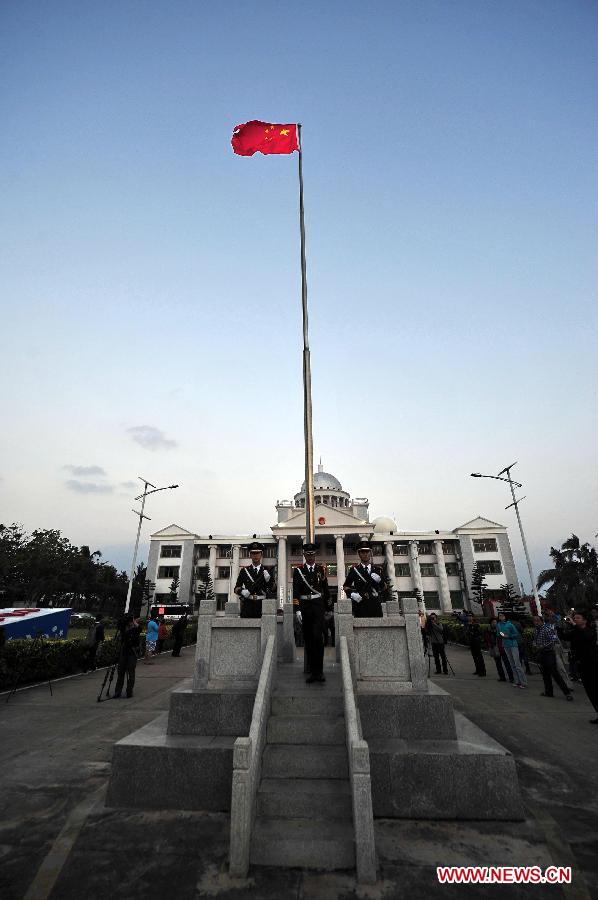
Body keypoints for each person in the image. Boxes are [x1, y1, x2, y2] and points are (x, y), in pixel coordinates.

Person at [293, 542, 330, 684]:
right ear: (304, 555)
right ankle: (312, 672)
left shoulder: (321, 569)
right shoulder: (298, 571)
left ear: (315, 555)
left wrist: (329, 608)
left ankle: (319, 672)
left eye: (312, 555)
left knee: (317, 637)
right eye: (308, 555)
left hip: (318, 606)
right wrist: (297, 610)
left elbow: (325, 590)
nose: (310, 557)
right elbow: (296, 590)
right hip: (305, 607)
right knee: (308, 640)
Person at [559, 611, 598, 723]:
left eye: (578, 618)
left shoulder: (590, 631)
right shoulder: (576, 631)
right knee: (590, 691)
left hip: (592, 663)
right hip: (581, 664)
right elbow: (565, 637)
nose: (575, 619)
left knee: (595, 688)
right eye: (574, 618)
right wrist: (559, 626)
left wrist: (574, 625)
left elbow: (586, 636)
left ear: (585, 620)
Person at [531, 615, 573, 701]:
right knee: (545, 675)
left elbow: (553, 640)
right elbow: (535, 639)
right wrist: (535, 644)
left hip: (549, 653)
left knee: (555, 674)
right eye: (534, 621)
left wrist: (543, 646)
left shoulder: (547, 629)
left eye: (538, 621)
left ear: (542, 621)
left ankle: (567, 693)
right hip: (541, 654)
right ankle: (549, 692)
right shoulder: (536, 630)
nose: (536, 622)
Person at [343, 540, 387, 617]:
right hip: (361, 605)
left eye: (367, 552)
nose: (365, 554)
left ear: (370, 553)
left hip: (375, 605)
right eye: (362, 552)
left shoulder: (378, 570)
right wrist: (352, 594)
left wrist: (380, 581)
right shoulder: (354, 570)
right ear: (359, 554)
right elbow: (345, 586)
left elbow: (384, 588)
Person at [234, 541, 276, 618]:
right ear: (250, 555)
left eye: (257, 553)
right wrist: (242, 591)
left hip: (262, 605)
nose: (255, 556)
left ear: (261, 554)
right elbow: (236, 588)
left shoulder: (267, 570)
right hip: (248, 605)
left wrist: (268, 580)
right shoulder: (244, 571)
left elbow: (273, 589)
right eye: (253, 553)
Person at [497, 612, 527, 688]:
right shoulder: (498, 625)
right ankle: (517, 681)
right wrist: (501, 635)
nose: (501, 617)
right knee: (512, 664)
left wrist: (509, 636)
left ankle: (523, 682)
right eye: (499, 616)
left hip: (513, 644)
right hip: (505, 645)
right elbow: (498, 634)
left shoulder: (509, 624)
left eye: (502, 615)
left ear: (505, 617)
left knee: (517, 664)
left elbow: (516, 634)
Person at [114, 615, 141, 699]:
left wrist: (133, 622)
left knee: (130, 673)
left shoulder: (135, 630)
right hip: (124, 653)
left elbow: (139, 628)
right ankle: (118, 691)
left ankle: (129, 691)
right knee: (121, 673)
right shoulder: (123, 630)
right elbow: (120, 630)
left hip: (131, 653)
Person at [485, 617, 513, 683]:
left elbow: (505, 636)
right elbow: (487, 639)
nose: (495, 624)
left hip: (502, 648)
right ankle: (502, 677)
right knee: (498, 664)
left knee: (507, 663)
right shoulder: (488, 630)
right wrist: (489, 646)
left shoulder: (500, 630)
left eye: (496, 622)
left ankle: (511, 677)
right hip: (494, 648)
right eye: (493, 622)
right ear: (490, 623)